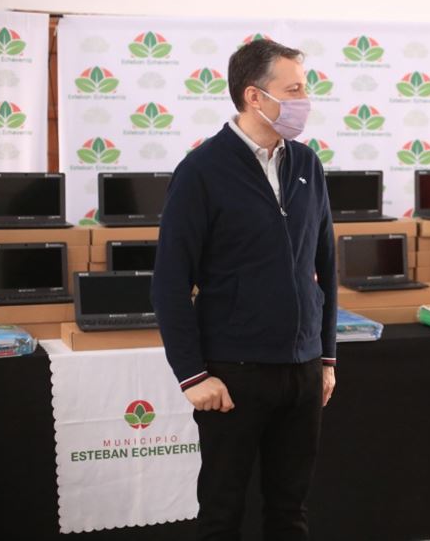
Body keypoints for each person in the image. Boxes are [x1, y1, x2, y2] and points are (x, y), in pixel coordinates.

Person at [152, 39, 337, 541]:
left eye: (306, 86)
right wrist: (192, 377)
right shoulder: (201, 171)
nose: (306, 99)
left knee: (290, 510)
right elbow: (169, 283)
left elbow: (324, 267)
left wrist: (325, 358)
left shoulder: (308, 164)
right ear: (255, 96)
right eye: (294, 89)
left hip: (301, 370)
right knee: (222, 512)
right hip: (232, 374)